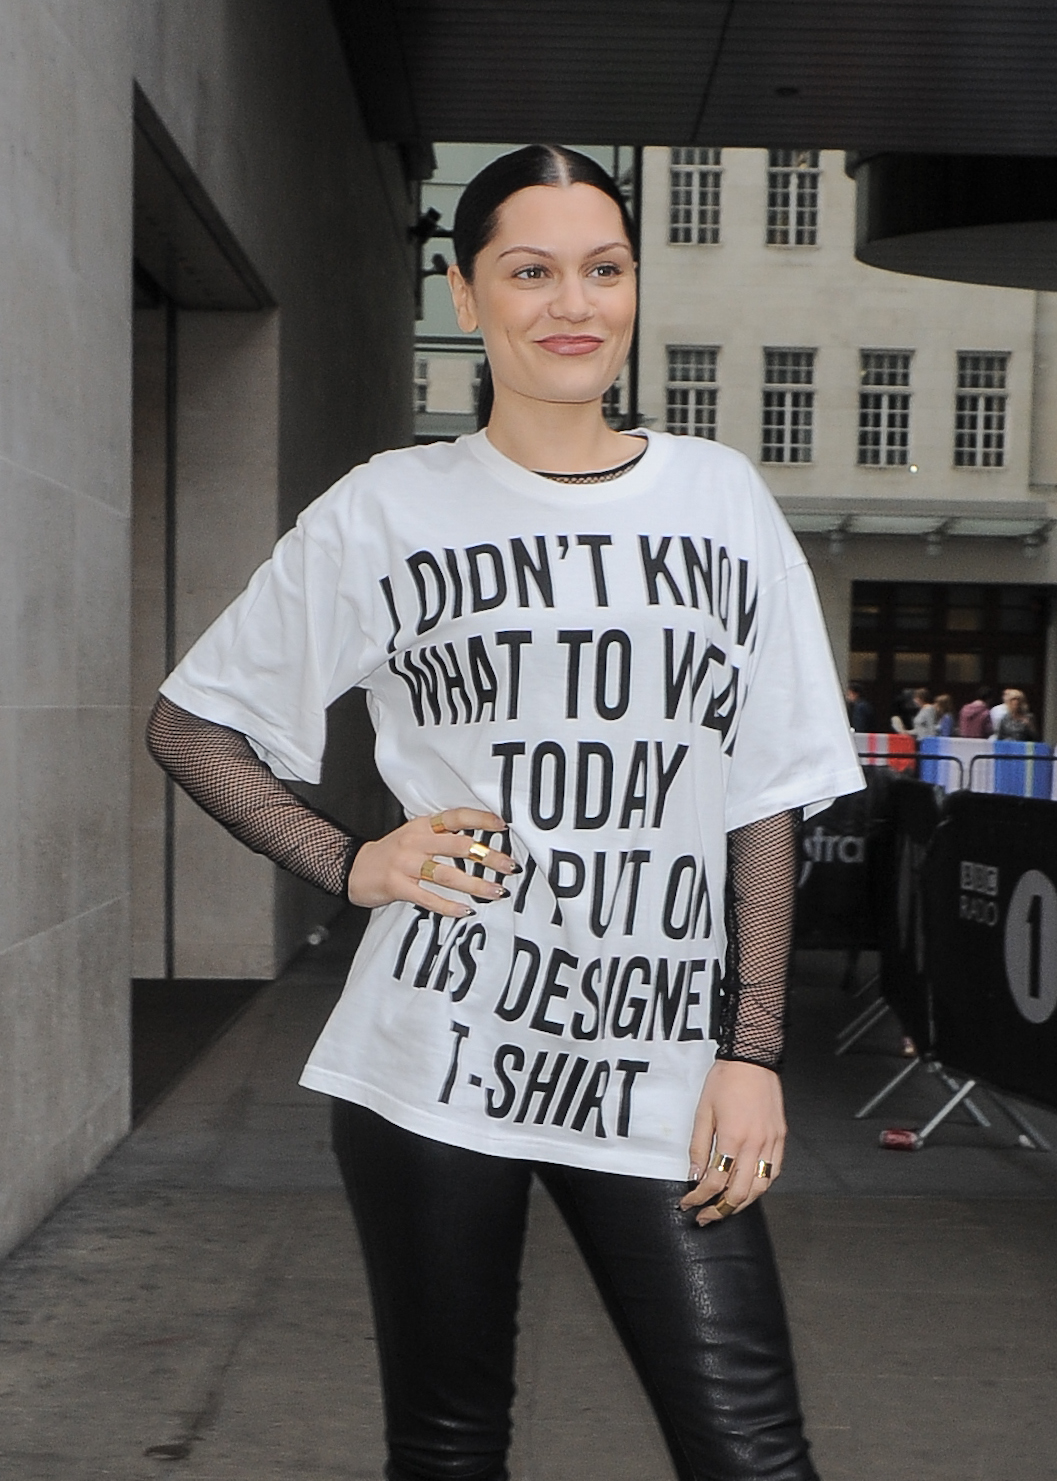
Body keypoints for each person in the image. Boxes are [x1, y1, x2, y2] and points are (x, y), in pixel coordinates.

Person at [147, 145, 863, 1481]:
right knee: (449, 1451)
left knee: (753, 1453)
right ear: (468, 297)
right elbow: (194, 723)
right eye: (530, 272)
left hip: (660, 1066)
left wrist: (752, 1052)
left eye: (603, 269)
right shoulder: (387, 509)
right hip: (438, 1054)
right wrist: (352, 862)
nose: (572, 304)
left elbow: (764, 790)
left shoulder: (719, 500)